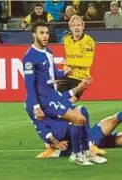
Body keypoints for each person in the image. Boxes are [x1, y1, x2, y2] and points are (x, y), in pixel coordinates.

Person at [23, 21, 105, 165]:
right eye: (41, 33)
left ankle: (86, 152)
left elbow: (54, 74)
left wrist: (64, 72)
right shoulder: (29, 57)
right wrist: (36, 107)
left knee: (82, 113)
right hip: (45, 101)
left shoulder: (48, 51)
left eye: (47, 33)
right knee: (78, 120)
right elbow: (29, 85)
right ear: (34, 35)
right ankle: (76, 154)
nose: (45, 36)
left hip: (53, 96)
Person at [36, 105, 122, 157]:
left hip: (86, 140)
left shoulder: (47, 122)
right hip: (88, 139)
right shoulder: (50, 117)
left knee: (121, 137)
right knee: (114, 119)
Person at [57, 15, 95, 103]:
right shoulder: (66, 40)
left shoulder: (88, 41)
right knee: (57, 101)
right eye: (74, 25)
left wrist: (69, 62)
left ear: (83, 26)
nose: (76, 28)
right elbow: (70, 57)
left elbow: (87, 63)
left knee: (70, 101)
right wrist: (63, 71)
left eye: (78, 25)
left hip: (80, 77)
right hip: (67, 75)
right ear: (70, 27)